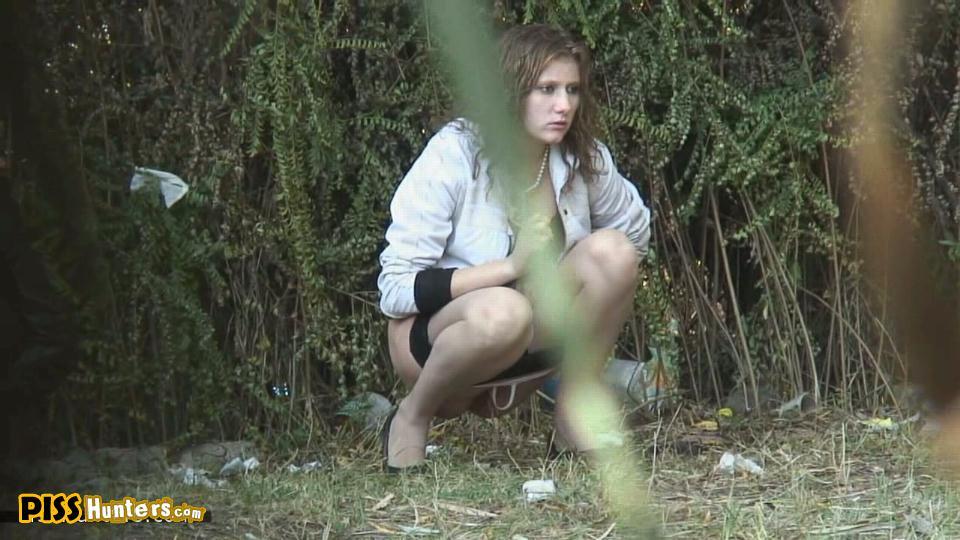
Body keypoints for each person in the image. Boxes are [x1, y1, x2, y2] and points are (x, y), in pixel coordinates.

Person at [377, 24, 651, 471]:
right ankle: (412, 416)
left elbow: (634, 237)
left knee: (613, 253)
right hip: (437, 346)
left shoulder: (582, 158)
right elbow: (395, 290)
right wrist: (511, 268)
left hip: (526, 343)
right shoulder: (454, 152)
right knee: (505, 311)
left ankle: (573, 416)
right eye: (547, 89)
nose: (564, 105)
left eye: (572, 90)